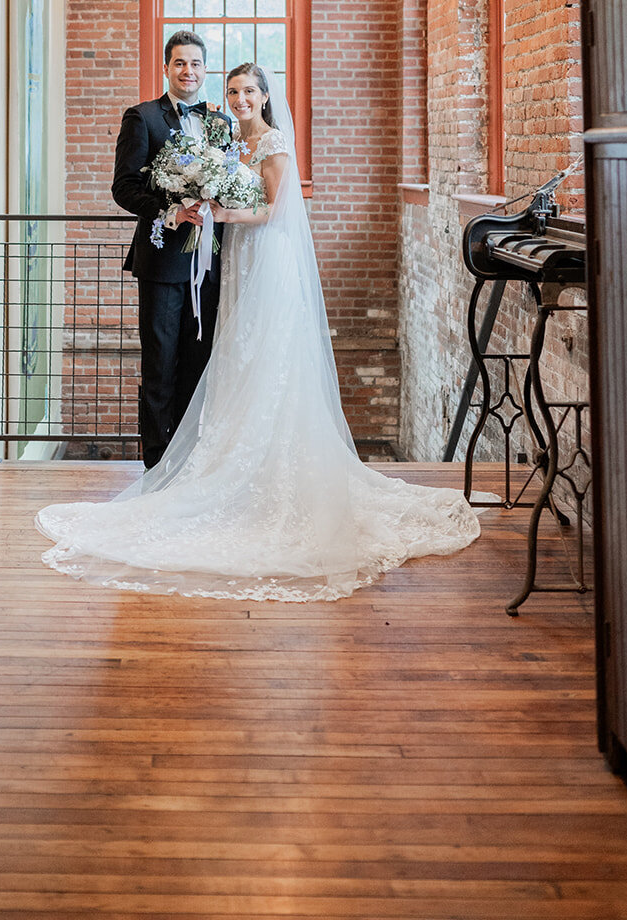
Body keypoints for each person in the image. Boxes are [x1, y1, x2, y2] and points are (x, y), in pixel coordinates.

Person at [37, 64, 479, 602]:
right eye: (234, 91)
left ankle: (270, 470)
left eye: (249, 91)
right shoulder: (225, 140)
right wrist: (202, 203)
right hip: (234, 264)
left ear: (265, 96)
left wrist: (220, 216)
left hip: (265, 259)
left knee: (266, 358)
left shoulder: (272, 142)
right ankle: (219, 465)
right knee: (234, 359)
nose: (240, 98)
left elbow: (274, 209)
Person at [111, 31, 231, 469]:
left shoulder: (221, 124)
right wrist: (171, 211)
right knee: (160, 366)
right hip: (163, 265)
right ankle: (157, 464)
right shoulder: (142, 118)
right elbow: (123, 188)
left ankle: (189, 460)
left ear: (205, 69)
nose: (188, 71)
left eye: (196, 64)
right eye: (180, 63)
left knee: (197, 367)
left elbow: (232, 181)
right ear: (166, 68)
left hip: (210, 265)